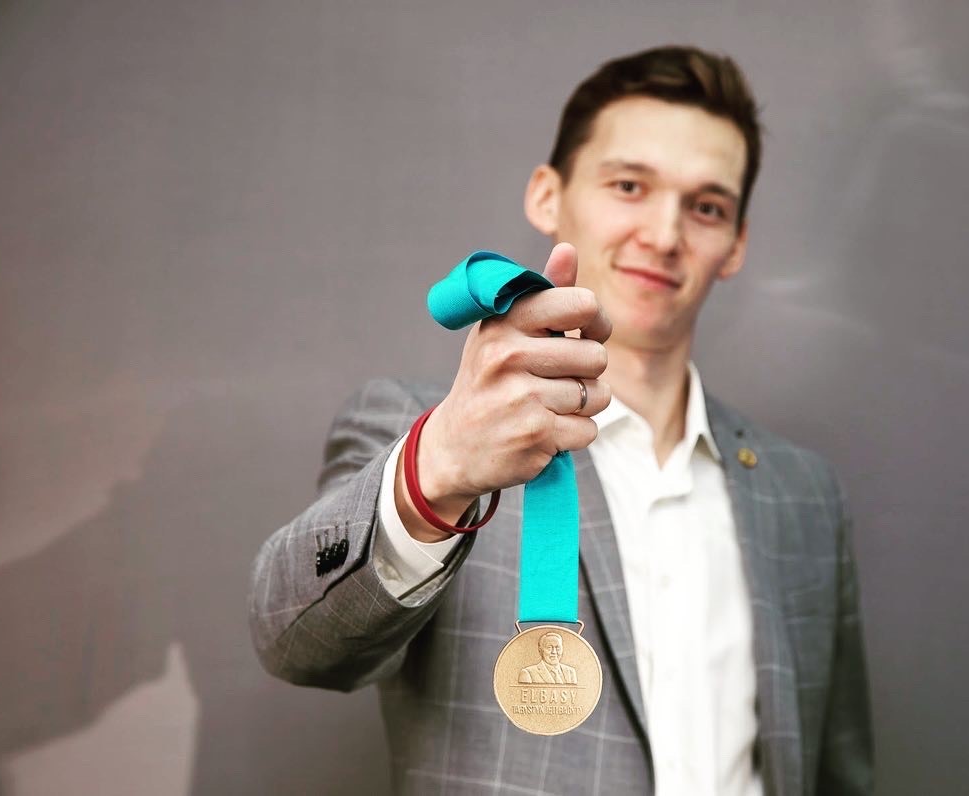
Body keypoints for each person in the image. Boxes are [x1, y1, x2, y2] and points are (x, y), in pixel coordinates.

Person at [249, 45, 873, 795]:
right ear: (548, 196)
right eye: (629, 185)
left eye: (706, 206)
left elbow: (840, 771)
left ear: (735, 242)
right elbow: (293, 641)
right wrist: (437, 468)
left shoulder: (805, 494)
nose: (664, 235)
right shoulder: (422, 433)